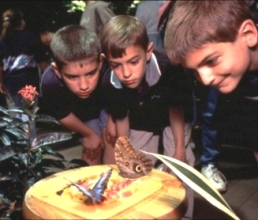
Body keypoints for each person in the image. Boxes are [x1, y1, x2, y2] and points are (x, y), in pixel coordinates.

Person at [100, 15, 195, 219]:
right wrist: (126, 152)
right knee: (133, 165)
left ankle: (184, 214)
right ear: (106, 61)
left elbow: (176, 109)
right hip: (141, 114)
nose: (126, 73)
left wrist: (179, 150)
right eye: (116, 65)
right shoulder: (110, 84)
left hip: (174, 115)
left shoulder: (170, 67)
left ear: (149, 51)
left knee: (181, 164)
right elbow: (122, 119)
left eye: (134, 61)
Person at [164, 0, 258, 191]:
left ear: (248, 34)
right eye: (194, 71)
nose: (205, 80)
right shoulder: (235, 74)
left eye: (211, 61)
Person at [40, 24, 114, 166]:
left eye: (91, 74)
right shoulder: (49, 82)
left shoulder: (111, 70)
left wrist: (110, 125)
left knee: (112, 139)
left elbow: (119, 104)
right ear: (57, 70)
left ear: (101, 62)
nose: (84, 85)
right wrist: (89, 135)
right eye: (73, 77)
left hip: (111, 106)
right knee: (93, 146)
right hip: (83, 114)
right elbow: (63, 114)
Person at [0, 8, 48, 108]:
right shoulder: (31, 37)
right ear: (21, 22)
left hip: (11, 85)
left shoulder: (2, 41)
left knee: (16, 119)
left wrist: (1, 82)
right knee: (29, 116)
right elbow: (41, 61)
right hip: (29, 84)